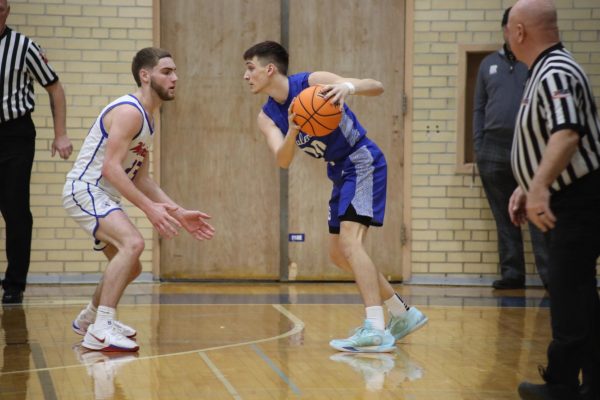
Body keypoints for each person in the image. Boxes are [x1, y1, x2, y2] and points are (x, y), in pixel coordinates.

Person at [243, 41, 428, 353]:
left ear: (269, 68)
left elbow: (377, 87)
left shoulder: (312, 83)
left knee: (350, 243)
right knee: (339, 255)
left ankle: (375, 327)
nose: (246, 76)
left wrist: (346, 87)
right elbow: (283, 160)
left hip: (362, 159)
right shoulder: (267, 117)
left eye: (250, 68)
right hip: (339, 171)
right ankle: (402, 313)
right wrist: (291, 130)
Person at [63, 47, 215, 352]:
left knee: (130, 267)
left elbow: (140, 177)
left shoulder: (149, 118)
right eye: (167, 72)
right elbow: (110, 168)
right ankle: (102, 328)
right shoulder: (130, 111)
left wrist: (178, 211)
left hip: (103, 193)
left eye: (175, 72)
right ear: (145, 76)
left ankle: (90, 318)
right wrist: (149, 210)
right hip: (86, 189)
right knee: (133, 243)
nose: (175, 78)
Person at [505, 1, 600, 399]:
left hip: (577, 198)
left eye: (509, 29)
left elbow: (567, 133)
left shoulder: (555, 71)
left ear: (521, 32)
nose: (507, 37)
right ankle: (589, 384)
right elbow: (547, 138)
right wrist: (527, 183)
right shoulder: (543, 70)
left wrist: (540, 185)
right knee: (573, 289)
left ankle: (562, 383)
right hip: (567, 194)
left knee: (570, 291)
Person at [0, 0, 73, 304]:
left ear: (7, 10)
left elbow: (54, 87)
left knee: (15, 209)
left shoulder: (24, 46)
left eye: (2, 7)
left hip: (14, 134)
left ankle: (14, 285)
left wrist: (61, 134)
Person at [473, 6, 549, 290]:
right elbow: (478, 108)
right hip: (493, 148)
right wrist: (479, 147)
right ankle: (512, 274)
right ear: (505, 29)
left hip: (530, 146)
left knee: (535, 209)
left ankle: (548, 275)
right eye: (508, 27)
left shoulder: (535, 62)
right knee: (504, 214)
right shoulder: (488, 65)